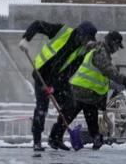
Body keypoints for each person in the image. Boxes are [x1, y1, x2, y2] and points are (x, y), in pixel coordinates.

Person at [48, 30, 126, 150]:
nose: (117, 49)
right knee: (71, 114)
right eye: (117, 46)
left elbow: (102, 75)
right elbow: (107, 70)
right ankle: (57, 138)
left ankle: (94, 139)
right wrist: (125, 81)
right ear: (111, 42)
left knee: (87, 115)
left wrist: (119, 84)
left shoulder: (100, 50)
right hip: (82, 89)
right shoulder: (100, 52)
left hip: (88, 91)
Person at [19, 20, 98, 151]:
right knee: (41, 108)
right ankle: (37, 141)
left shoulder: (82, 50)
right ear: (80, 33)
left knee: (70, 105)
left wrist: (54, 86)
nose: (86, 42)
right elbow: (38, 24)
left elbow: (71, 70)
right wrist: (26, 39)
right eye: (86, 39)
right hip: (42, 74)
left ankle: (55, 138)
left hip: (59, 79)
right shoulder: (62, 31)